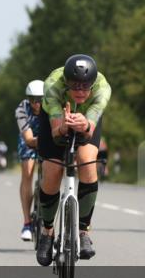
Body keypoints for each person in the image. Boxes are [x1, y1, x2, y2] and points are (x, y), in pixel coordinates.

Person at [35, 54, 111, 266]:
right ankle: (47, 232)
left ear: (93, 84)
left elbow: (90, 130)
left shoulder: (103, 88)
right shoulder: (52, 85)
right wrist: (65, 125)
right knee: (52, 170)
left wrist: (85, 125)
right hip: (57, 119)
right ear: (66, 83)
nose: (79, 91)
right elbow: (57, 133)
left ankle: (83, 231)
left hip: (87, 119)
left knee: (87, 161)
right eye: (74, 86)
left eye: (85, 87)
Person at [15, 80, 45, 241]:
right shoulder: (22, 109)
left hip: (48, 138)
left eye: (40, 99)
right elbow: (28, 139)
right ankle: (27, 223)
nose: (36, 103)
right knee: (27, 170)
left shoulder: (51, 106)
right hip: (29, 140)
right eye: (32, 99)